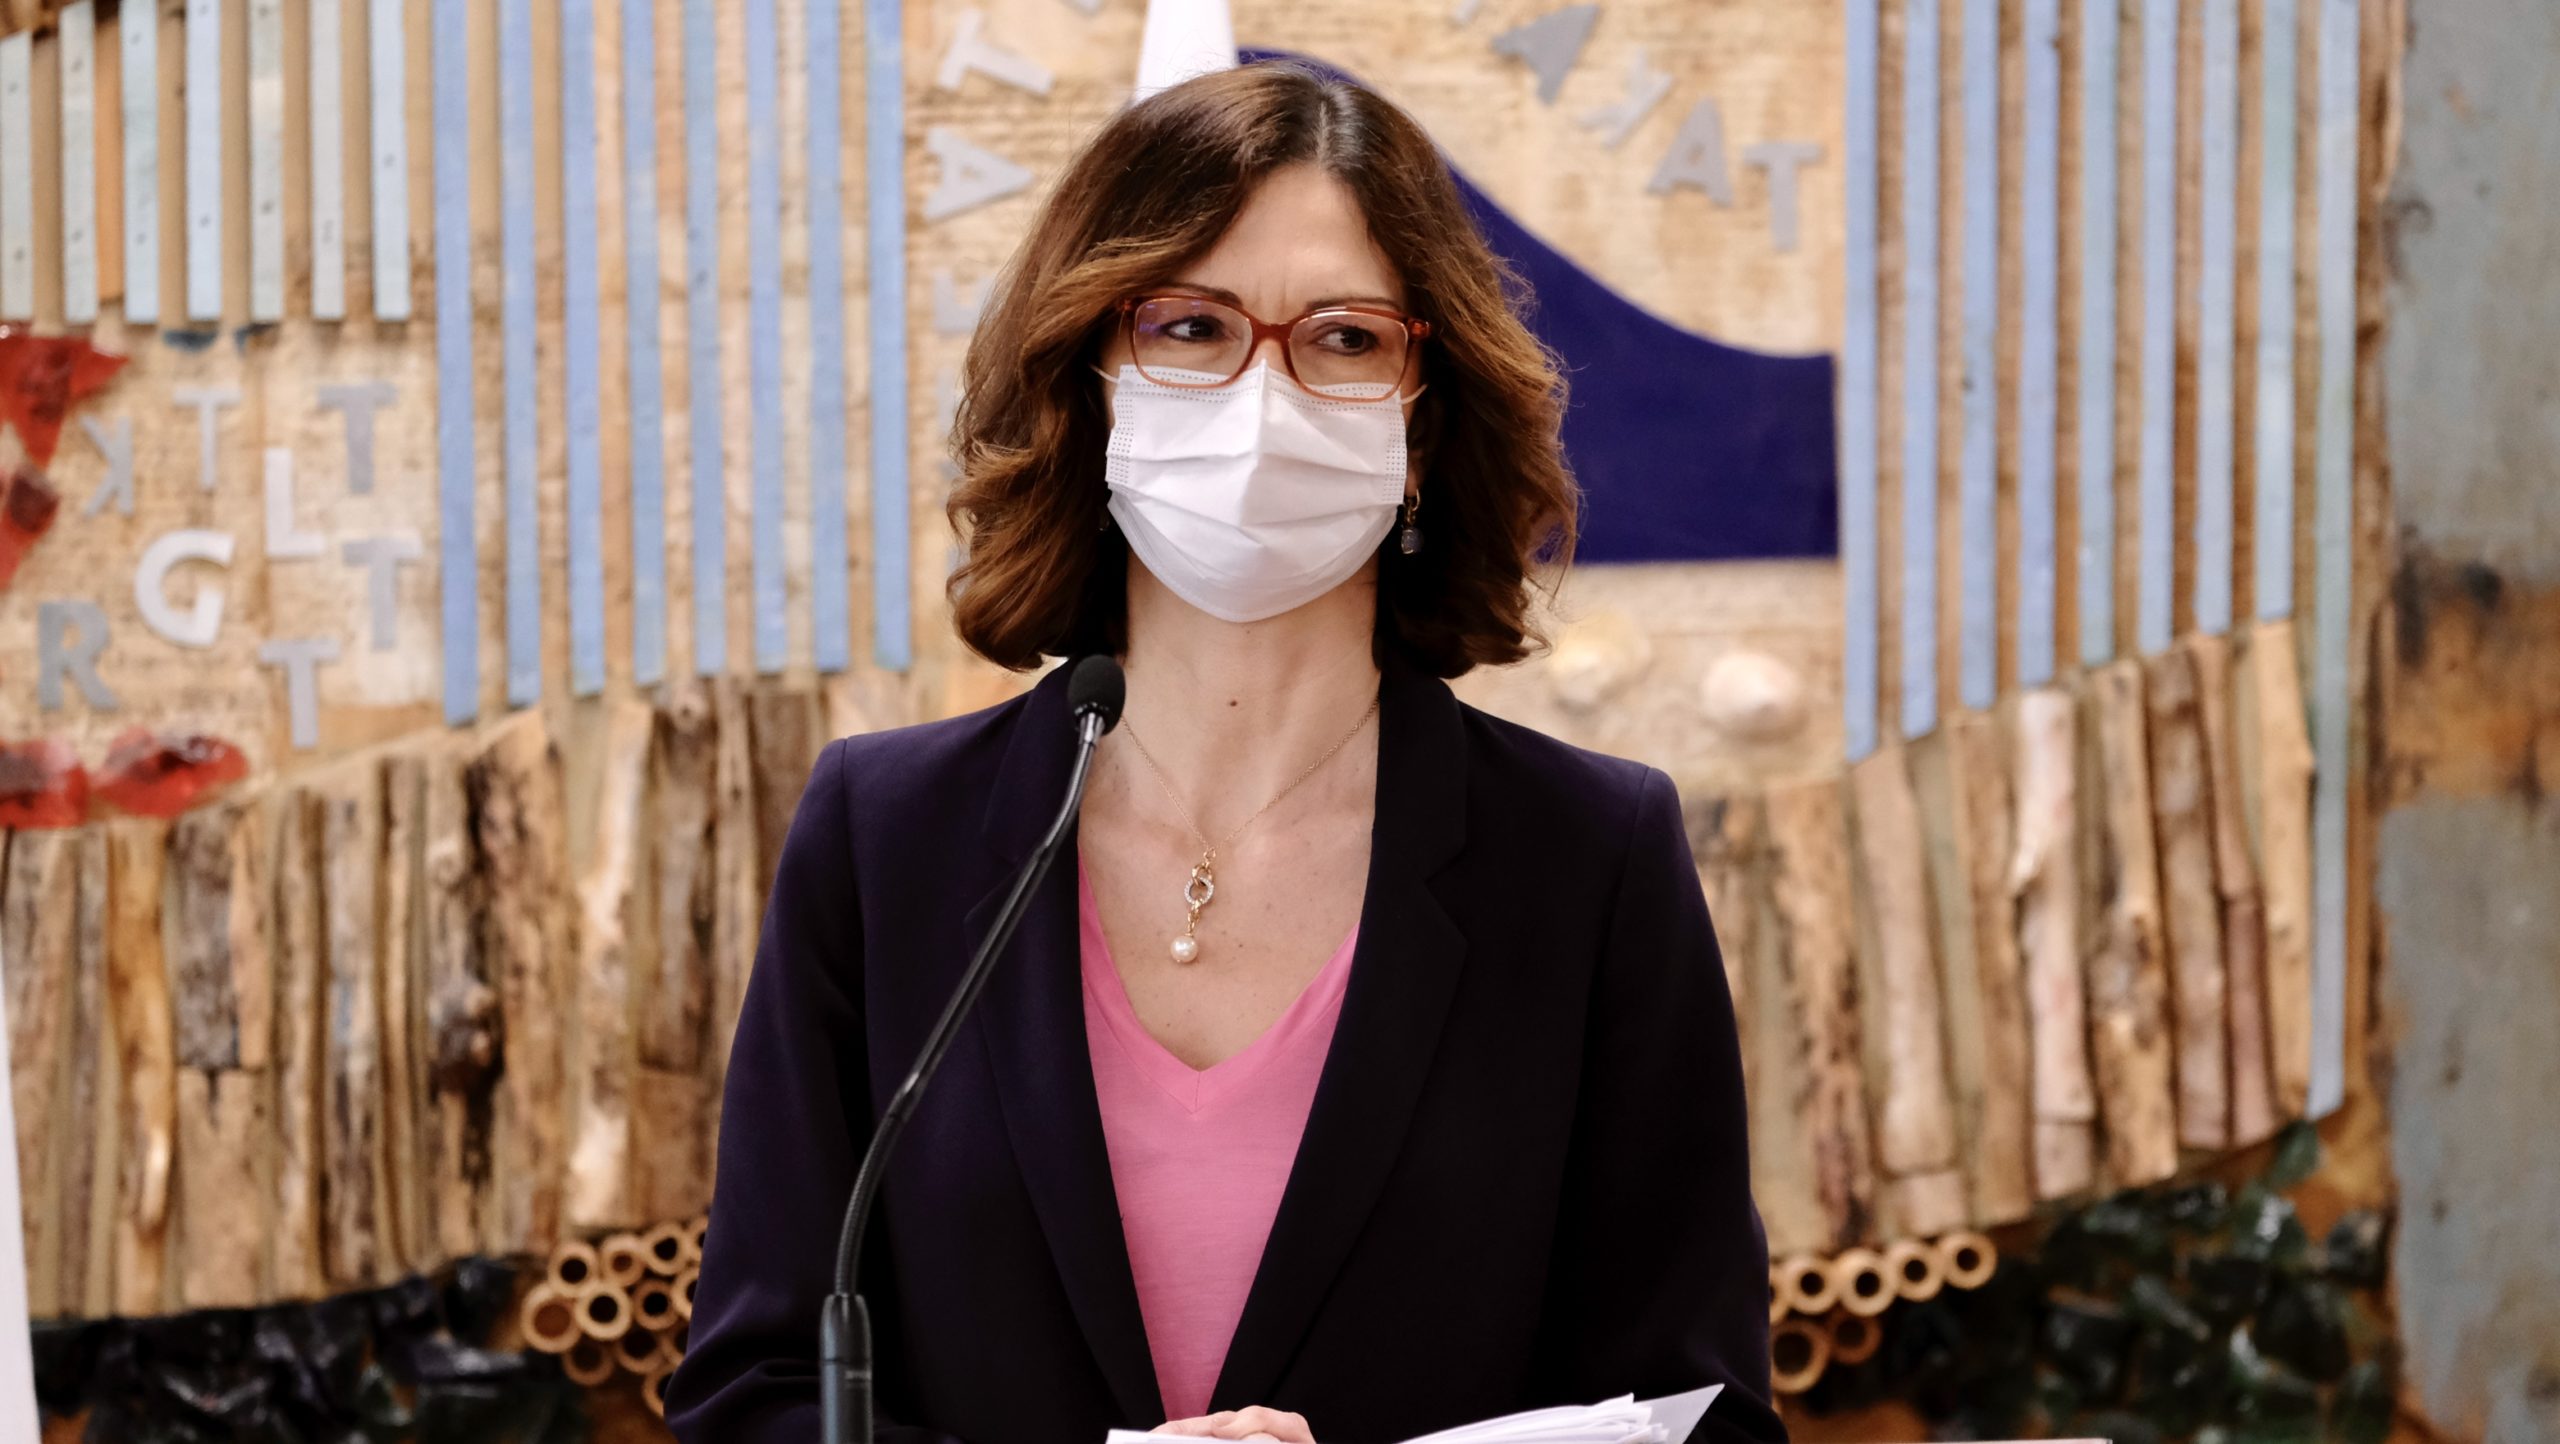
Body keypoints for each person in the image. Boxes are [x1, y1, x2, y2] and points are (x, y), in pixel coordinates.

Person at [666, 59, 1784, 1444]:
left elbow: (1701, 1416)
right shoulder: (884, 835)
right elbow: (754, 1397)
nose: (1264, 394)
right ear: (1089, 382)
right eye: (1190, 327)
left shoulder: (1589, 860)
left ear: (1425, 416)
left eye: (1346, 338)